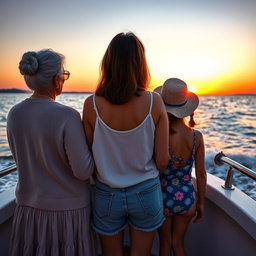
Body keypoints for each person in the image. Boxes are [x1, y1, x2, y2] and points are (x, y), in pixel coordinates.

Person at [82, 32, 169, 256]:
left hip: (106, 194)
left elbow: (89, 157)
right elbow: (162, 161)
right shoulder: (154, 101)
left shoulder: (91, 104)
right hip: (146, 191)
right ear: (140, 63)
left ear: (108, 62)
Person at [7, 49, 96, 256]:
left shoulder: (14, 113)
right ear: (57, 81)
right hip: (67, 214)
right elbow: (83, 171)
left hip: (28, 209)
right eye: (64, 75)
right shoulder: (67, 116)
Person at [155, 78, 207, 256]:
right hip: (186, 197)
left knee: (165, 244)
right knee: (178, 244)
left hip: (163, 196)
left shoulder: (159, 135)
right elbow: (201, 174)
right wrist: (200, 203)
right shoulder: (196, 136)